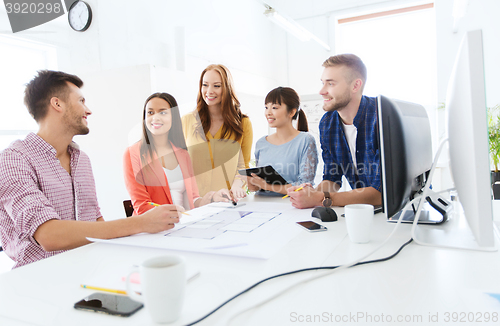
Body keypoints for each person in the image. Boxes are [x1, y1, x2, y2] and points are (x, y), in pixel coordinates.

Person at [0, 71, 182, 268]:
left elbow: (96, 221)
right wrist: (141, 223)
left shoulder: (82, 160)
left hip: (91, 268)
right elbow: (49, 236)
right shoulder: (13, 159)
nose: (88, 110)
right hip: (42, 278)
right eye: (81, 101)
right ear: (57, 104)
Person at [287, 54, 381, 208]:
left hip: (403, 212)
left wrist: (320, 199)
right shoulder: (327, 123)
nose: (322, 91)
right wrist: (312, 193)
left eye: (330, 84)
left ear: (355, 86)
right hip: (364, 212)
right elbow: (332, 177)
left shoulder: (382, 117)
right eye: (323, 83)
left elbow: (380, 193)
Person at [123, 92, 233, 215]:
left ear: (173, 117)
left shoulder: (183, 154)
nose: (155, 117)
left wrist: (212, 197)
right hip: (154, 228)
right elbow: (141, 206)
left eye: (162, 112)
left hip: (185, 222)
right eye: (150, 112)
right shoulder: (133, 153)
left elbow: (194, 200)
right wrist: (172, 213)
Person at [182, 64, 253, 199]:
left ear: (227, 88)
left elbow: (243, 166)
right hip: (195, 203)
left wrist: (237, 185)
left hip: (226, 201)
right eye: (205, 85)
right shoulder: (186, 121)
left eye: (216, 86)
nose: (209, 91)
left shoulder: (243, 124)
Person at [246, 87, 318, 195]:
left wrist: (267, 186)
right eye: (266, 107)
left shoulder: (305, 140)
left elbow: (305, 185)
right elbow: (258, 186)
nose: (268, 112)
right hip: (260, 205)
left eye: (274, 107)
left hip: (291, 206)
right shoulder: (261, 143)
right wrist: (253, 184)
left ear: (292, 112)